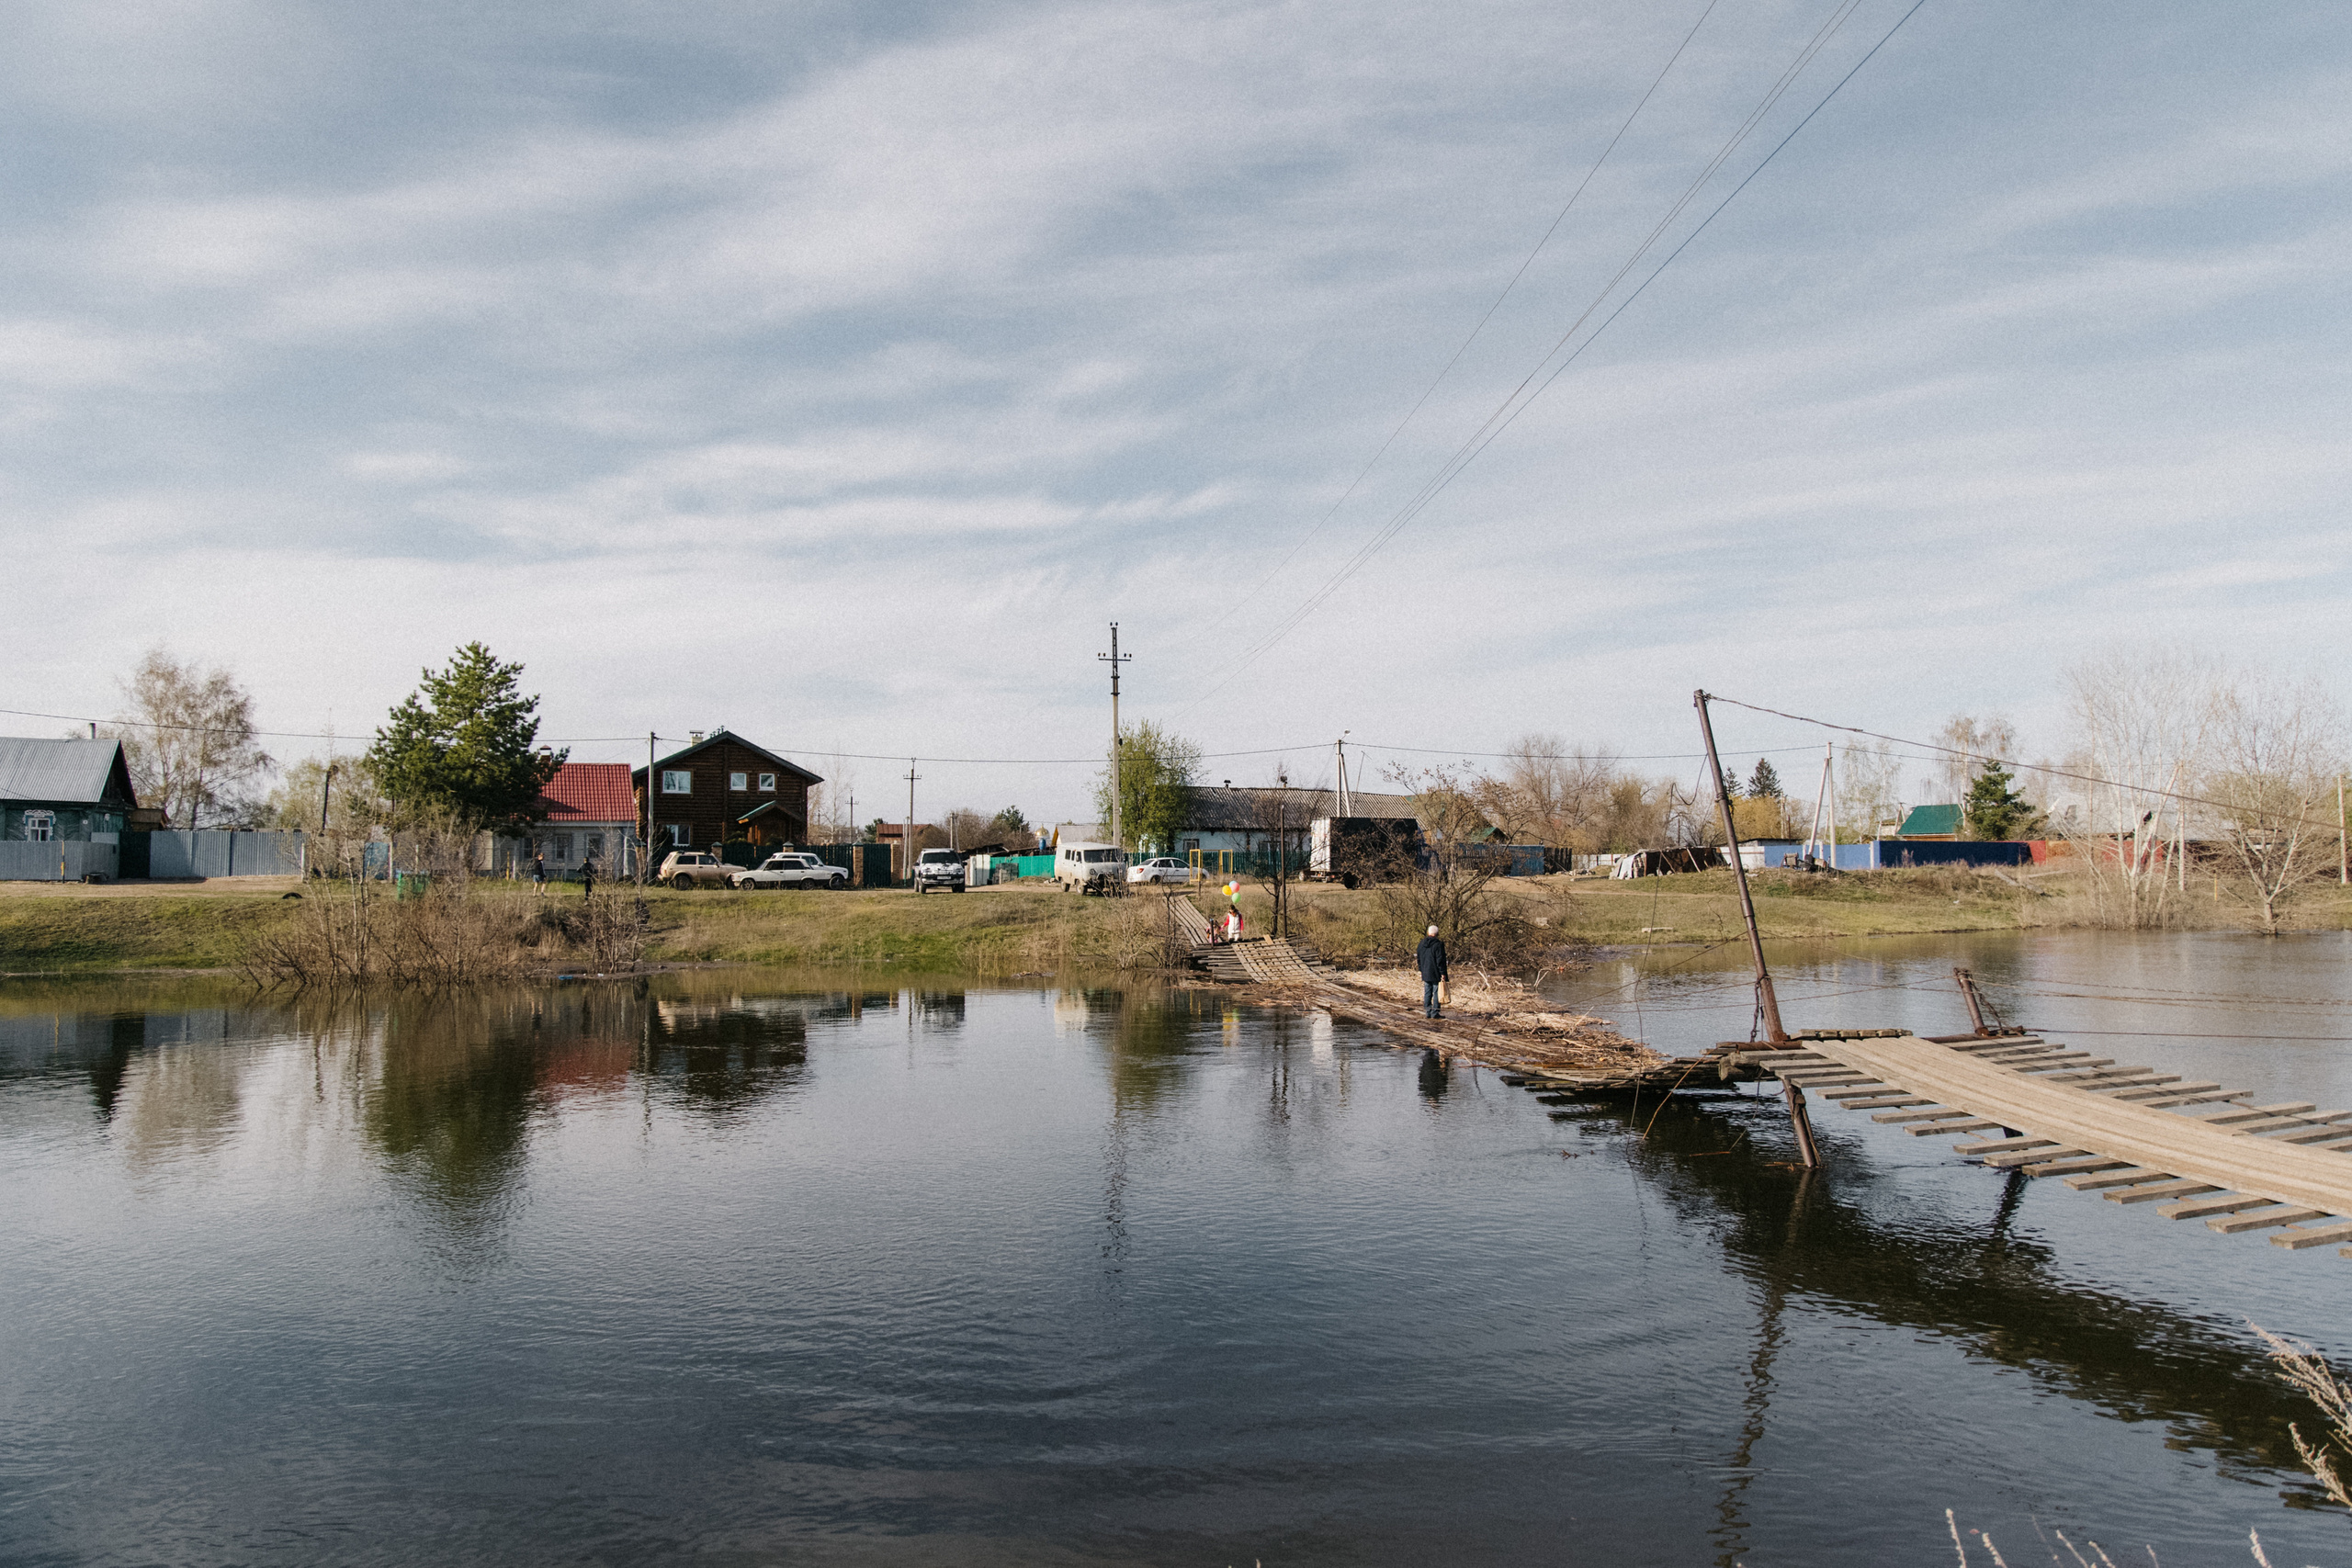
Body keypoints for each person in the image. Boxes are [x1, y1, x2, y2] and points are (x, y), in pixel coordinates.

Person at [1416, 923, 1448, 1018]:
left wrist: (1421, 969)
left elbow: (1419, 959)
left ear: (1428, 932)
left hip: (1425, 971)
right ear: (1437, 933)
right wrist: (1443, 972)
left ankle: (1428, 1012)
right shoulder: (1439, 944)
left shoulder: (1421, 944)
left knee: (1427, 992)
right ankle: (1435, 1012)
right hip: (1436, 972)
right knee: (1436, 992)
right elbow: (1440, 960)